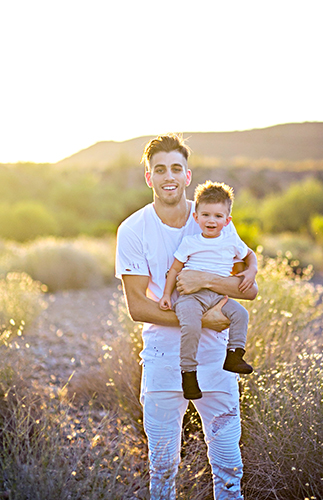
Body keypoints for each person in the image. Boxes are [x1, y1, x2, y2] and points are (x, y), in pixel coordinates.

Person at [115, 134, 258, 500]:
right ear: (149, 177)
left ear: (188, 174)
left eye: (175, 168)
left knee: (229, 468)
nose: (168, 176)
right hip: (162, 363)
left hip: (217, 363)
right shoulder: (133, 230)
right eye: (159, 169)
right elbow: (138, 307)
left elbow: (249, 289)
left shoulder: (213, 218)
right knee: (162, 470)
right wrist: (202, 319)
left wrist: (206, 280)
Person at [159, 180, 257, 401]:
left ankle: (234, 356)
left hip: (217, 298)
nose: (211, 220)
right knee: (191, 326)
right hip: (190, 298)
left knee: (241, 314)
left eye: (218, 216)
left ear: (227, 220)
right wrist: (166, 294)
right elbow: (175, 269)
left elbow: (250, 255)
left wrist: (251, 272)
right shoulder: (190, 242)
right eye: (206, 215)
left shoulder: (231, 241)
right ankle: (189, 374)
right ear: (196, 217)